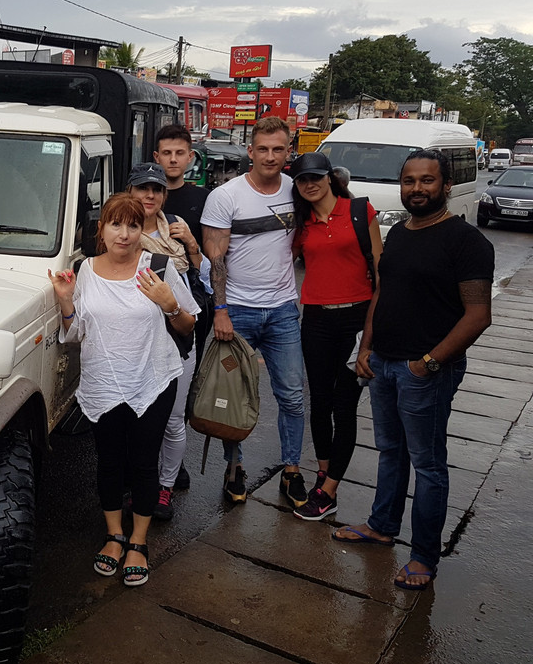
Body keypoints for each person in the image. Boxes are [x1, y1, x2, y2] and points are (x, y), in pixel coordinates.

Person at [335, 149, 493, 592]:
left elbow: (478, 314)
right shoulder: (400, 233)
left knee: (427, 464)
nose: (417, 189)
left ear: (445, 186)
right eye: (409, 181)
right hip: (383, 362)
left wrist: (430, 362)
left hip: (425, 370)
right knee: (390, 451)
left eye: (427, 181)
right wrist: (366, 347)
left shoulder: (466, 241)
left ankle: (424, 555)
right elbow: (382, 293)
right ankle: (382, 525)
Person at [49, 193, 198, 586]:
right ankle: (114, 535)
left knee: (144, 464)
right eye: (116, 224)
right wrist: (66, 302)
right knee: (110, 462)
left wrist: (169, 305)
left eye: (133, 225)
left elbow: (187, 327)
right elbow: (76, 332)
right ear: (102, 229)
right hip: (103, 381)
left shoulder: (159, 269)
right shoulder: (84, 271)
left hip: (152, 379)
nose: (125, 233)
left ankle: (139, 541)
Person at [201, 116, 307, 506]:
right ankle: (235, 466)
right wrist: (221, 310)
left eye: (278, 149)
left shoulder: (298, 191)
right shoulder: (226, 196)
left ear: (288, 151)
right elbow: (216, 259)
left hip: (282, 311)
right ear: (250, 151)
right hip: (238, 311)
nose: (270, 156)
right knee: (232, 397)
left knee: (293, 396)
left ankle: (292, 468)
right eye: (262, 148)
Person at [289, 152, 382, 520]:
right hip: (315, 320)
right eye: (302, 180)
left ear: (330, 177)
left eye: (316, 176)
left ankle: (329, 491)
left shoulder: (360, 211)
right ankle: (323, 472)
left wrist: (371, 338)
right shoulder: (302, 223)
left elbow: (380, 271)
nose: (310, 184)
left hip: (356, 320)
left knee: (345, 406)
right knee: (320, 402)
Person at [127, 162, 206, 517]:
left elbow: (202, 272)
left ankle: (165, 487)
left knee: (174, 419)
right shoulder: (118, 232)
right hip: (134, 338)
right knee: (135, 416)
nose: (150, 195)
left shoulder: (175, 227)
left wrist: (190, 242)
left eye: (157, 189)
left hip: (177, 331)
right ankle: (138, 481)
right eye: (143, 188)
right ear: (129, 192)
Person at [153, 123, 213, 490]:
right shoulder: (140, 198)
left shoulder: (203, 200)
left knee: (180, 391)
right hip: (145, 310)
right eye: (166, 153)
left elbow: (213, 262)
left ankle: (172, 467)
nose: (173, 160)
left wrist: (191, 243)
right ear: (155, 157)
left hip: (189, 308)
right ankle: (152, 467)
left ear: (190, 158)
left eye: (180, 153)